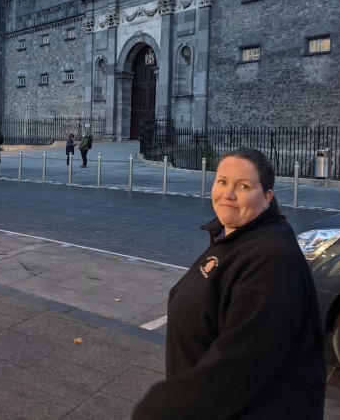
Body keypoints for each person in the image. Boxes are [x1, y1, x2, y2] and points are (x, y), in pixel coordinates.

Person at [132, 148, 326, 420]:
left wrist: (160, 408)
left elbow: (241, 364)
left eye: (243, 186)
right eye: (222, 181)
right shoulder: (233, 236)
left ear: (267, 197)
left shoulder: (271, 261)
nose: (228, 194)